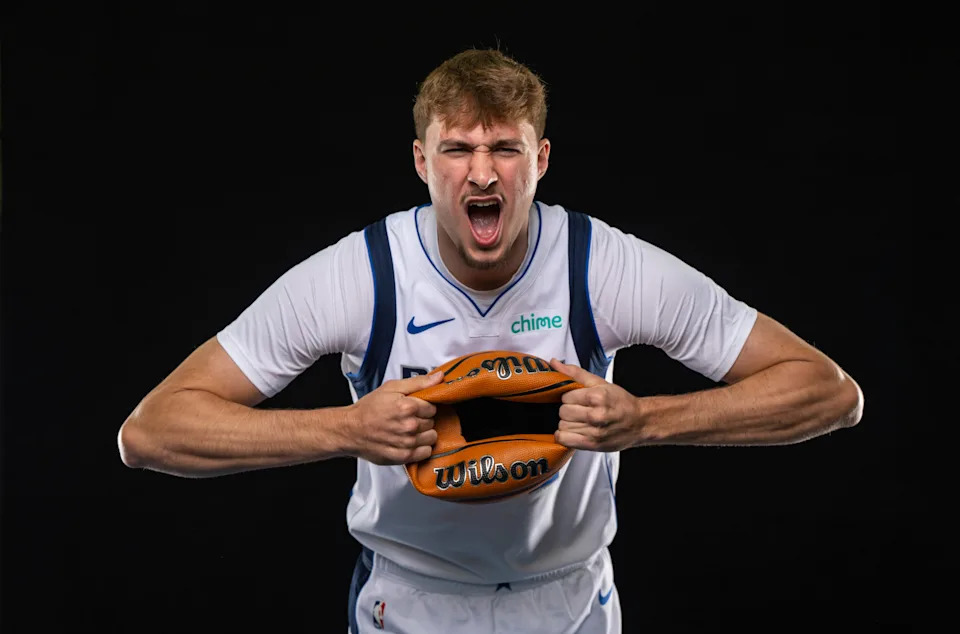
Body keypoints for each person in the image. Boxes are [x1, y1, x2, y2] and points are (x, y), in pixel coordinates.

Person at [117, 48, 864, 633]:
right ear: (420, 163)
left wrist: (646, 421)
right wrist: (343, 428)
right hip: (410, 607)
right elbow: (151, 432)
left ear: (539, 162)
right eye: (457, 150)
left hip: (569, 606)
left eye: (505, 148)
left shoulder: (601, 266)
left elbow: (829, 393)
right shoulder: (361, 274)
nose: (483, 171)